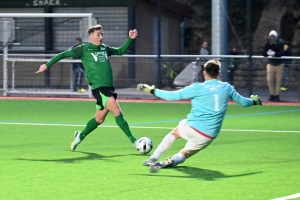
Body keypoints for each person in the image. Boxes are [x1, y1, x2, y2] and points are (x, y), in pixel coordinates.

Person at [137, 59, 262, 173]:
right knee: (185, 154)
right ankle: (170, 161)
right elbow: (244, 103)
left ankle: (153, 158)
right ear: (218, 74)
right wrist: (254, 101)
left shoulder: (197, 87)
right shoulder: (226, 87)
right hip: (209, 135)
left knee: (175, 133)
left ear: (204, 73)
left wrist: (151, 90)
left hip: (192, 127)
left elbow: (171, 96)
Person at [36, 24, 139, 151]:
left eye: (102, 34)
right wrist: (47, 65)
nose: (101, 36)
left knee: (99, 119)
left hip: (108, 87)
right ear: (91, 36)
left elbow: (120, 51)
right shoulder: (83, 49)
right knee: (117, 110)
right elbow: (63, 55)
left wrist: (130, 39)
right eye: (98, 34)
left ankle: (80, 136)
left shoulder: (104, 48)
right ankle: (135, 143)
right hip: (98, 87)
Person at [262, 30, 284, 102]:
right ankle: (272, 94)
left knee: (278, 80)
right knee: (269, 80)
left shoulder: (280, 43)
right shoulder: (268, 43)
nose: (272, 37)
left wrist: (275, 54)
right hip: (270, 64)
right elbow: (263, 52)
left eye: (273, 36)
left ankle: (277, 95)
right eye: (271, 36)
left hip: (279, 64)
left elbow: (282, 52)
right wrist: (268, 53)